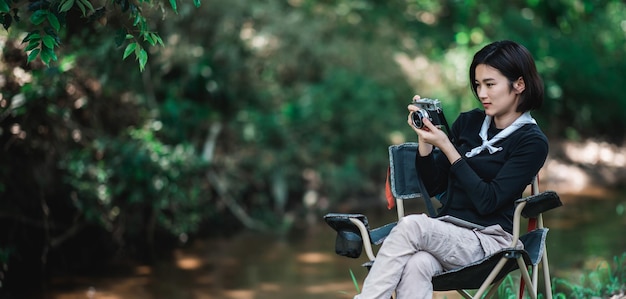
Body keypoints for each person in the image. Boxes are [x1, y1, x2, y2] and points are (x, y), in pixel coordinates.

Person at [354, 40, 549, 299]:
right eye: (478, 85)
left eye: (490, 84)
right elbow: (434, 186)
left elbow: (488, 201)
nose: (482, 93)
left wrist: (447, 146)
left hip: (491, 242)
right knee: (417, 264)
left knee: (412, 226)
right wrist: (425, 142)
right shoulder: (469, 122)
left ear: (519, 85)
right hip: (448, 232)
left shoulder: (531, 141)